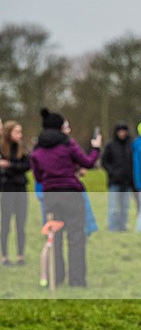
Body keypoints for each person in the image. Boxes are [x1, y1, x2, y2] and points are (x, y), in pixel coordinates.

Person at [30, 109, 102, 287]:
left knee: (54, 238)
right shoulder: (68, 144)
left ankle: (57, 277)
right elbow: (88, 162)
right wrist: (96, 148)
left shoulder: (37, 150)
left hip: (50, 196)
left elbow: (38, 177)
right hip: (71, 193)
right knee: (76, 238)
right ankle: (77, 281)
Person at [0, 120, 31, 266]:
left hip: (20, 190)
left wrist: (10, 166)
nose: (20, 135)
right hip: (6, 190)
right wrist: (13, 169)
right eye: (17, 132)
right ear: (8, 133)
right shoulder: (1, 149)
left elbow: (26, 166)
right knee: (5, 224)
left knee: (21, 224)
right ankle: (5, 255)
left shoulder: (21, 148)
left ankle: (20, 255)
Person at [101, 123, 134, 232]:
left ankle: (123, 227)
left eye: (124, 131)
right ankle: (113, 228)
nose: (122, 133)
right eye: (120, 131)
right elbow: (104, 162)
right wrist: (112, 172)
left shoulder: (130, 146)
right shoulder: (111, 146)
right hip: (114, 181)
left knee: (125, 208)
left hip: (127, 182)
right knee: (114, 208)